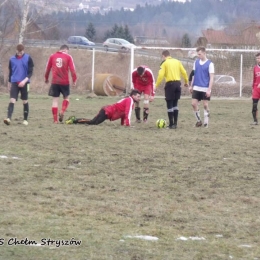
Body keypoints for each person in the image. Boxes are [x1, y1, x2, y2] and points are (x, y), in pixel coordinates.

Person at [65, 89, 141, 126]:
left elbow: (123, 114)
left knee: (93, 122)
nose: (139, 98)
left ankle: (74, 120)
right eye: (138, 96)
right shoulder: (130, 100)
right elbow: (128, 113)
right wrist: (128, 124)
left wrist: (122, 124)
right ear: (133, 96)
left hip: (107, 111)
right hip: (107, 111)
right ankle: (74, 120)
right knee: (93, 123)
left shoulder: (130, 101)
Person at [155, 50, 189, 129]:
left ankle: (171, 124)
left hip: (170, 84)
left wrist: (156, 85)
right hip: (178, 84)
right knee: (175, 104)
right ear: (170, 55)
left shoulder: (164, 63)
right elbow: (184, 72)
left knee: (169, 104)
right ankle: (175, 124)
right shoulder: (177, 61)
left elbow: (160, 75)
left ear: (163, 56)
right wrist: (186, 81)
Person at [44, 44, 77, 123]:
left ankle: (55, 120)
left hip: (55, 82)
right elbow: (72, 70)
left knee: (55, 100)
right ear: (66, 50)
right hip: (64, 82)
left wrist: (46, 78)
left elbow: (47, 68)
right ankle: (62, 111)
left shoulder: (52, 56)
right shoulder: (68, 57)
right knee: (66, 98)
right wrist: (74, 80)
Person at [4, 44, 34, 126]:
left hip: (25, 82)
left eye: (21, 52)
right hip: (15, 82)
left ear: (23, 51)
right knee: (12, 100)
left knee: (25, 101)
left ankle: (25, 119)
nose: (19, 54)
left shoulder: (28, 58)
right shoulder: (12, 59)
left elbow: (30, 72)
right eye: (18, 52)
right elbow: (11, 72)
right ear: (16, 51)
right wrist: (9, 82)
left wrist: (24, 81)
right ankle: (8, 118)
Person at [189, 46, 214, 128]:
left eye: (199, 54)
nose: (198, 56)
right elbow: (193, 75)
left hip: (205, 88)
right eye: (198, 54)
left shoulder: (210, 64)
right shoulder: (196, 63)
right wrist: (191, 85)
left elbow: (211, 78)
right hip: (196, 87)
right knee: (193, 104)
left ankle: (206, 123)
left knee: (205, 105)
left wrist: (209, 90)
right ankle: (199, 121)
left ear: (204, 53)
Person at [251, 52, 260, 125]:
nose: (258, 59)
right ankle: (255, 121)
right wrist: (253, 88)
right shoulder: (255, 68)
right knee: (254, 105)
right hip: (256, 89)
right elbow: (254, 79)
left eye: (259, 58)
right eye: (257, 58)